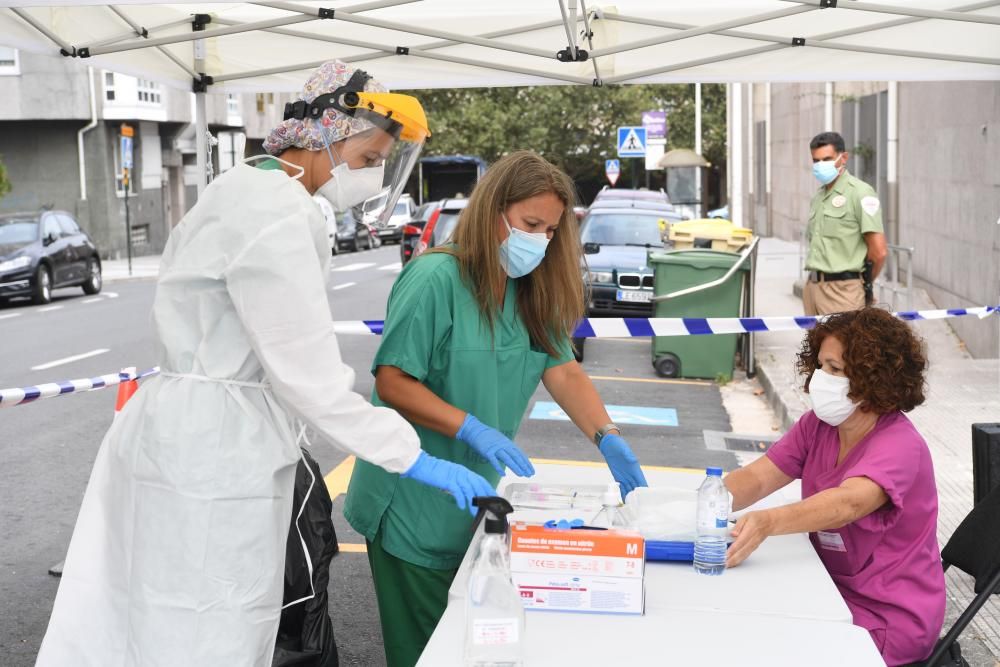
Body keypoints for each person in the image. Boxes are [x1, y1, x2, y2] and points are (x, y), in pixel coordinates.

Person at [35, 61, 495, 667]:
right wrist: (411, 456)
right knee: (208, 627)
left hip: (180, 434)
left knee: (149, 616)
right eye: (365, 159)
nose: (369, 176)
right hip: (214, 454)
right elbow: (308, 378)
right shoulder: (279, 213)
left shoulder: (242, 185)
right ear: (323, 133)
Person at [344, 150, 649, 667]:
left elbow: (563, 368)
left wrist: (607, 435)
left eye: (552, 230)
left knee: (477, 642)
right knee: (427, 649)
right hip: (413, 495)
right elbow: (393, 380)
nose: (541, 240)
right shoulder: (436, 279)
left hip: (478, 496)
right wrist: (471, 428)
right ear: (493, 212)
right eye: (531, 224)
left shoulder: (531, 288)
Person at [723, 307, 945, 666]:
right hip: (828, 589)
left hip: (887, 616)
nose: (819, 379)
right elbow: (760, 476)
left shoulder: (901, 445)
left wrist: (767, 523)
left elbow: (848, 504)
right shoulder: (819, 425)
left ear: (873, 379)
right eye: (821, 365)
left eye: (835, 370)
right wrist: (703, 502)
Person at [802, 131, 888, 315]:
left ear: (844, 158)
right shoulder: (818, 197)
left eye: (827, 159)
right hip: (813, 289)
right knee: (813, 345)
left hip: (842, 292)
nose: (820, 165)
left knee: (837, 345)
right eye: (816, 161)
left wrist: (862, 284)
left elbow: (879, 252)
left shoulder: (861, 193)